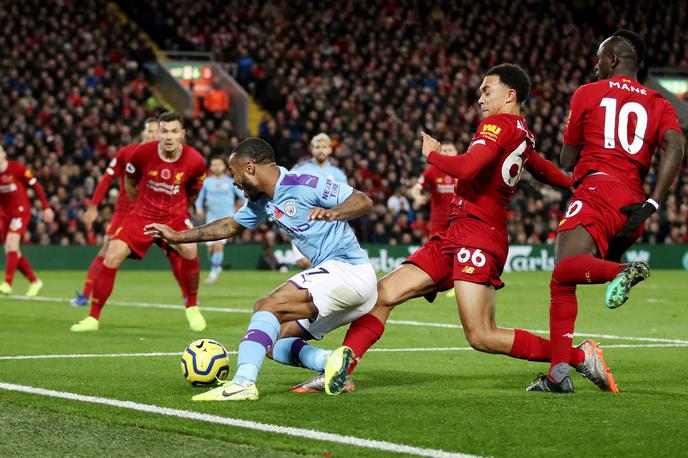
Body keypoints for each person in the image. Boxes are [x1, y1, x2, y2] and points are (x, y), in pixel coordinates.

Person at [294, 64, 611, 395]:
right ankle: (340, 370)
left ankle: (578, 356)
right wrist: (578, 184)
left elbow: (468, 167)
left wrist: (433, 154)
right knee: (381, 295)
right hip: (453, 234)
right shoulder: (522, 132)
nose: (480, 97)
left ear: (510, 95)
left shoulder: (498, 125)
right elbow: (543, 169)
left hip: (478, 235)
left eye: (487, 90)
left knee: (481, 335)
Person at [145, 137, 376, 401]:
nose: (234, 181)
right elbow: (229, 226)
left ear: (250, 168)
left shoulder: (304, 182)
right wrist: (177, 236)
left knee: (266, 306)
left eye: (235, 173)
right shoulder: (263, 200)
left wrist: (336, 212)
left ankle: (243, 383)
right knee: (271, 342)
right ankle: (331, 363)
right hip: (344, 284)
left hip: (349, 270)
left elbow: (363, 200)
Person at [527, 30, 684, 393]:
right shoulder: (660, 101)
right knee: (565, 279)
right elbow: (675, 147)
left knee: (563, 271)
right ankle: (558, 374)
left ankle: (624, 271)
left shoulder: (588, 92)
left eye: (600, 57)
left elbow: (568, 159)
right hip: (634, 207)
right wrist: (654, 203)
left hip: (597, 190)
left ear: (612, 60)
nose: (595, 64)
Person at [70, 112, 208, 332]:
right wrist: (140, 207)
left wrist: (180, 210)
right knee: (112, 254)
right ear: (158, 133)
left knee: (190, 249)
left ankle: (192, 306)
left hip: (176, 216)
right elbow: (130, 184)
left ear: (182, 133)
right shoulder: (141, 153)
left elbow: (193, 193)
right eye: (164, 131)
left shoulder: (196, 161)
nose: (169, 136)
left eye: (174, 131)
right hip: (143, 214)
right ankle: (93, 318)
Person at [0, 144, 54, 296]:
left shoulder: (17, 169)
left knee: (12, 244)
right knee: (12, 251)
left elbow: (36, 186)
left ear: (4, 154)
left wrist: (46, 207)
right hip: (4, 215)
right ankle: (34, 281)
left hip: (21, 212)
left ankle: (7, 283)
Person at [195, 155, 245, 284]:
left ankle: (213, 272)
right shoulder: (207, 182)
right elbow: (200, 198)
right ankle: (216, 266)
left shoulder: (230, 182)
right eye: (214, 164)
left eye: (219, 164)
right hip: (211, 218)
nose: (216, 167)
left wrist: (243, 207)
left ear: (224, 167)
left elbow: (242, 196)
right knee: (210, 249)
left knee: (218, 245)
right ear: (211, 167)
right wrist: (199, 207)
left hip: (226, 219)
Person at [410, 143, 458, 236]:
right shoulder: (432, 170)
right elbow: (416, 188)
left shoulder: (463, 169)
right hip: (438, 223)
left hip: (458, 220)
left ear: (456, 152)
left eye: (450, 150)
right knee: (436, 249)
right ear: (439, 153)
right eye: (444, 150)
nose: (447, 152)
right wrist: (418, 197)